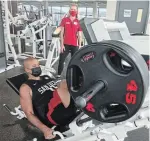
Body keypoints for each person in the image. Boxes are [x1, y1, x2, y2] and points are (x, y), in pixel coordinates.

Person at [20, 57, 77, 140]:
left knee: (72, 80)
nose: (38, 67)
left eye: (38, 65)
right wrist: (45, 129)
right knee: (64, 83)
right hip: (52, 113)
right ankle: (80, 104)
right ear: (27, 70)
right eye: (34, 66)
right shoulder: (26, 87)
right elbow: (28, 113)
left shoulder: (46, 77)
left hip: (63, 103)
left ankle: (82, 102)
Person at [57, 4, 82, 77]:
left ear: (77, 11)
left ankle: (73, 75)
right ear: (69, 10)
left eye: (74, 9)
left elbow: (80, 35)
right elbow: (61, 33)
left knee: (75, 62)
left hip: (75, 45)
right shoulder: (64, 20)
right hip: (65, 44)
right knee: (61, 60)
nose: (73, 11)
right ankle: (58, 75)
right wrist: (61, 45)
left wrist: (79, 45)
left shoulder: (78, 21)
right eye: (71, 9)